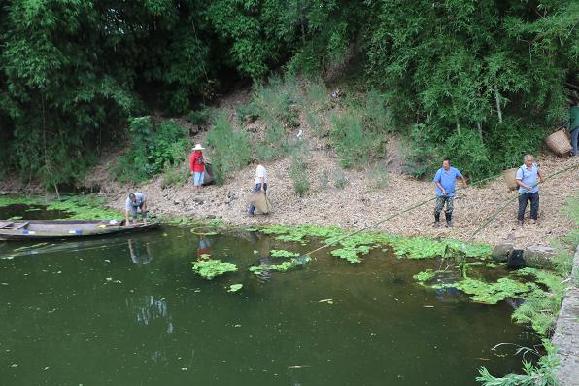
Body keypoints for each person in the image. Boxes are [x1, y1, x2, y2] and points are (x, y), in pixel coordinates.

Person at [432, 158, 467, 228]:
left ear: (449, 165)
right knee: (438, 207)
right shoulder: (440, 171)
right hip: (441, 194)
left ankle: (449, 221)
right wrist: (442, 190)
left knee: (450, 207)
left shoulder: (455, 170)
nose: (444, 165)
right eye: (443, 164)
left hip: (450, 193)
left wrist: (464, 184)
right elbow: (436, 181)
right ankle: (436, 221)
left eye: (445, 164)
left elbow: (460, 176)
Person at [516, 154, 543, 226]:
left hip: (534, 190)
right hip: (524, 191)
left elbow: (538, 171)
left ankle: (533, 218)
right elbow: (518, 181)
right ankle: (520, 220)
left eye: (531, 160)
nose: (530, 162)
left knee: (535, 204)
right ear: (525, 161)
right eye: (528, 161)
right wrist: (526, 186)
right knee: (523, 205)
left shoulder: (534, 166)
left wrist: (541, 178)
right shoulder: (521, 169)